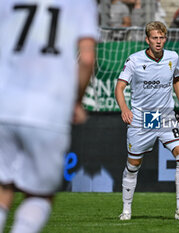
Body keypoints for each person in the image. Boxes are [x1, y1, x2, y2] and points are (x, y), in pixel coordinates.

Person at [0, 0, 98, 232]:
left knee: (3, 188)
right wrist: (76, 101)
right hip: (49, 108)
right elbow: (86, 59)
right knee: (39, 196)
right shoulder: (81, 3)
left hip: (5, 104)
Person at [115, 21, 179, 221]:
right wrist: (124, 108)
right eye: (154, 38)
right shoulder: (134, 60)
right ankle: (126, 209)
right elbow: (119, 87)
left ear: (165, 39)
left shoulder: (172, 57)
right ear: (147, 40)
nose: (158, 42)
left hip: (165, 116)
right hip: (142, 119)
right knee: (133, 164)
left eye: (161, 38)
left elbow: (177, 79)